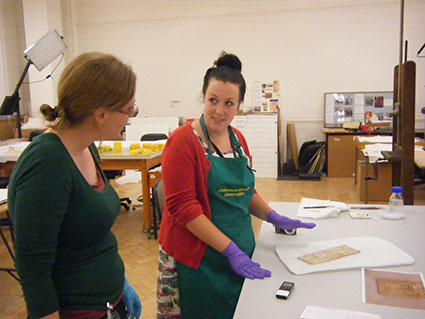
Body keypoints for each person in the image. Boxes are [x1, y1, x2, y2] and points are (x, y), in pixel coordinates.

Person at [157, 52, 316, 318]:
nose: (219, 111)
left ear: (239, 105)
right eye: (213, 101)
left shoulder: (238, 139)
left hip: (237, 250)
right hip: (196, 258)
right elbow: (185, 209)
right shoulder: (182, 142)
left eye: (228, 103)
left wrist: (272, 216)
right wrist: (229, 249)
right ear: (203, 98)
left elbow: (245, 191)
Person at [8, 52, 142, 319]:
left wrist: (118, 284)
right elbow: (33, 266)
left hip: (109, 301)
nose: (130, 117)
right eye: (128, 110)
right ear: (101, 114)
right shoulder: (47, 163)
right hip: (79, 309)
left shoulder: (86, 147)